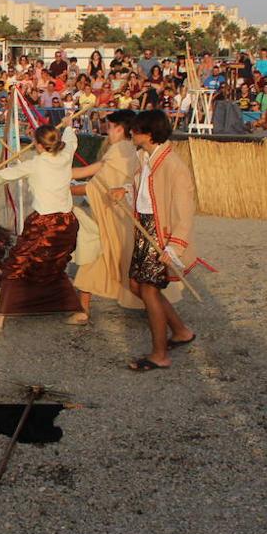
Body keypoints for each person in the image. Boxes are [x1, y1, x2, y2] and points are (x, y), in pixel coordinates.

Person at [0, 123, 84, 333]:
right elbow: (71, 141)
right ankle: (78, 311)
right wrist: (68, 126)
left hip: (45, 225)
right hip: (67, 223)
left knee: (15, 266)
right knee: (54, 265)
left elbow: (7, 174)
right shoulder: (66, 155)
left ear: (39, 146)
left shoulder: (35, 163)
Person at [125, 109, 197, 371]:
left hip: (160, 233)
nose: (131, 134)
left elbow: (184, 209)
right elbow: (143, 192)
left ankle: (159, 354)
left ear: (148, 134)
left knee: (148, 289)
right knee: (136, 285)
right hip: (144, 228)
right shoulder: (145, 157)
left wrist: (176, 245)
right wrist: (121, 191)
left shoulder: (173, 165)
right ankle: (180, 331)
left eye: (135, 130)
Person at [71, 109, 141, 320]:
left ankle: (156, 306)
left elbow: (97, 187)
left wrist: (65, 189)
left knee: (114, 257)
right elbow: (90, 172)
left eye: (110, 127)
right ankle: (83, 308)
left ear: (120, 129)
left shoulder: (121, 151)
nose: (107, 131)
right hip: (113, 214)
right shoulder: (122, 151)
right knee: (97, 254)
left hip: (116, 216)